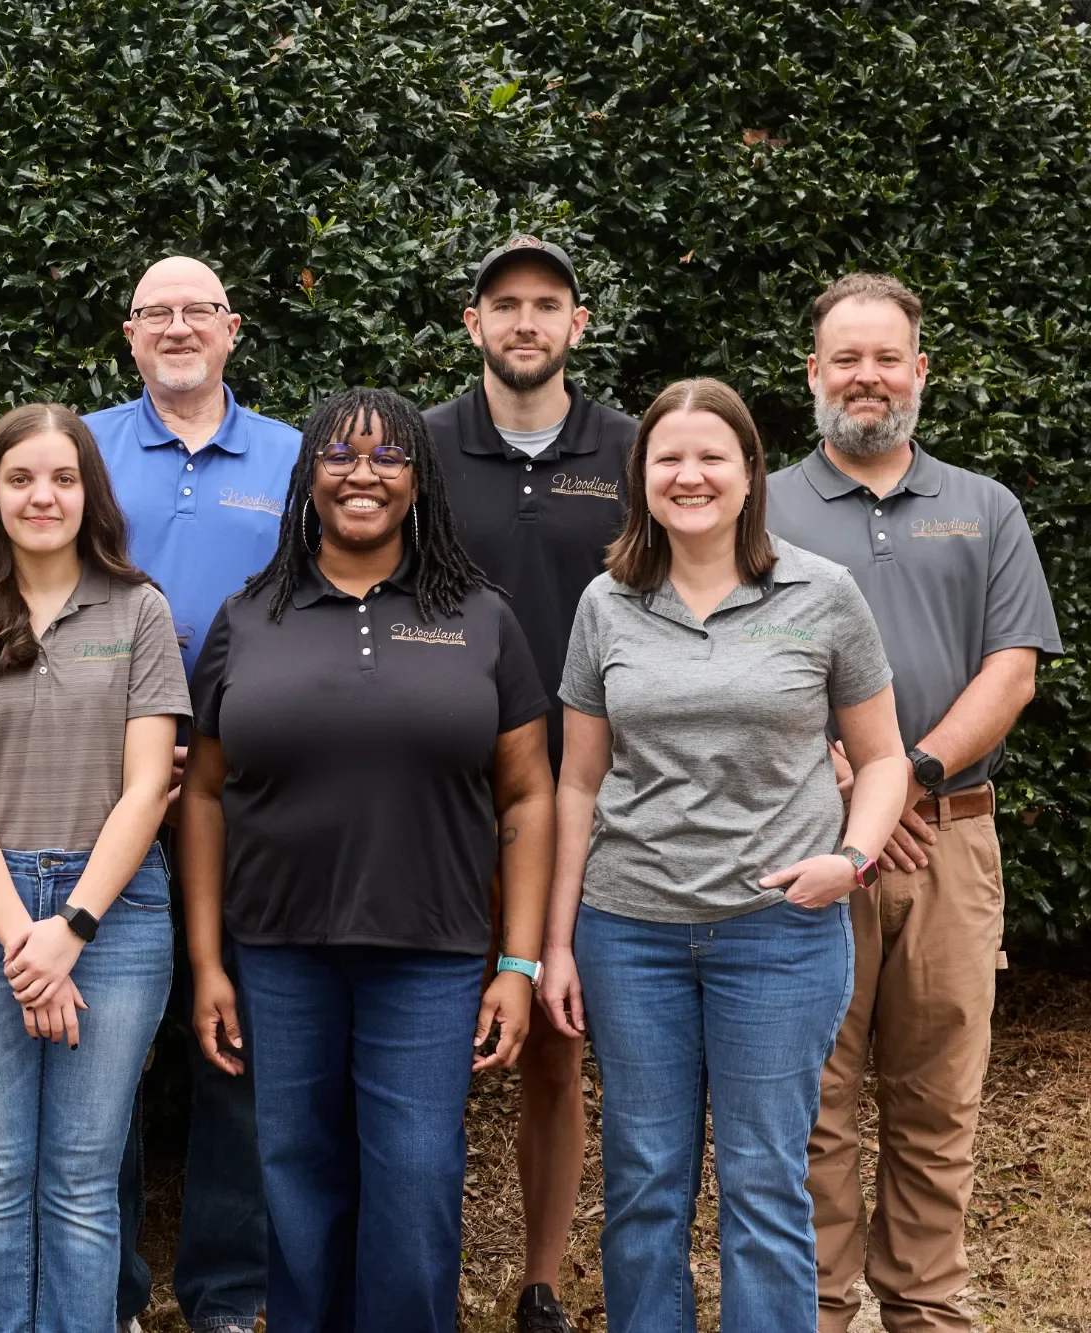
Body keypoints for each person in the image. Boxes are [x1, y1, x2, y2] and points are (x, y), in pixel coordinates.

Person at [539, 378, 911, 1333]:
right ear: (642, 476)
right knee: (645, 1184)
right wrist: (560, 942)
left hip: (779, 931)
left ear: (750, 472)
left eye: (712, 456)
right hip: (631, 934)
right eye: (668, 458)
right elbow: (576, 783)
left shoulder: (822, 593)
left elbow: (879, 760)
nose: (689, 474)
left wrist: (854, 858)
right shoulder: (606, 603)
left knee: (764, 1184)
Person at [181, 387, 553, 1331]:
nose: (363, 474)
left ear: (420, 481)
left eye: (389, 457)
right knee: (297, 1180)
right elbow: (203, 792)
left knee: (417, 1180)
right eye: (341, 457)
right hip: (278, 949)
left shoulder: (480, 617)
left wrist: (517, 961)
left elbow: (527, 795)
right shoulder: (247, 616)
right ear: (308, 477)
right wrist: (208, 961)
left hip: (430, 952)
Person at [767, 273, 1061, 1333]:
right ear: (811, 373)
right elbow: (726, 662)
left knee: (937, 1104)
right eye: (843, 357)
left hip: (947, 840)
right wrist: (844, 782)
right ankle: (808, 1309)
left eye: (885, 356)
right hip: (806, 846)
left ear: (918, 372)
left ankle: (926, 1310)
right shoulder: (758, 508)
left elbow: (1011, 670)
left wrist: (910, 775)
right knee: (808, 1103)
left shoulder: (983, 509)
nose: (864, 376)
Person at [0, 404, 190, 1332]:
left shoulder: (139, 611)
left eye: (63, 479)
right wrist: (21, 939)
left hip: (112, 916)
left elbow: (150, 787)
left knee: (82, 1174)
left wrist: (68, 928)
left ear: (91, 493)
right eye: (22, 479)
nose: (44, 496)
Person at [84, 255, 297, 1333]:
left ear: (231, 329)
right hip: (95, 792)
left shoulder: (294, 459)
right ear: (129, 336)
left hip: (247, 794)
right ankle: (107, 1291)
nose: (176, 326)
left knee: (237, 1049)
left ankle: (225, 1291)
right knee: (104, 1051)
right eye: (154, 312)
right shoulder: (77, 450)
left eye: (197, 310)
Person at [425, 236, 634, 1333]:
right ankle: (417, 1270)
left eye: (544, 304)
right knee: (424, 1042)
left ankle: (540, 1281)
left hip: (585, 795)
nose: (522, 321)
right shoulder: (415, 447)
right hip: (438, 792)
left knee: (555, 1044)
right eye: (501, 304)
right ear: (471, 324)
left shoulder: (635, 450)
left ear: (575, 323)